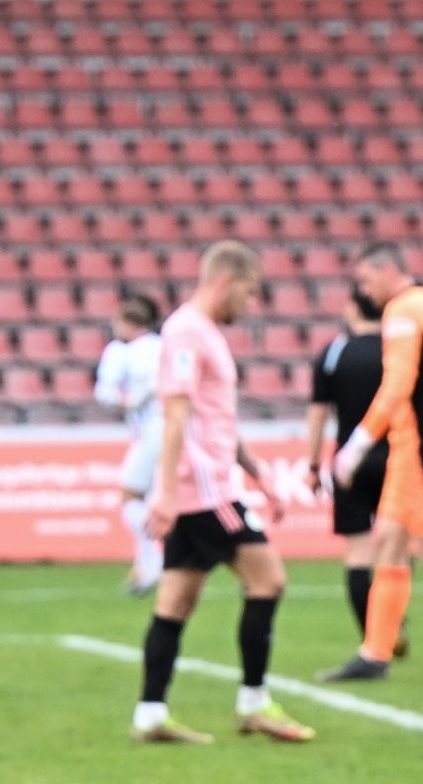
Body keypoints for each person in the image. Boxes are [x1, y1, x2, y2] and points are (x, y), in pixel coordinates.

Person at [132, 241, 314, 745]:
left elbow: (214, 421)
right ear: (226, 281)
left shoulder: (201, 332)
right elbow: (175, 415)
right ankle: (254, 703)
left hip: (203, 486)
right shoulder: (186, 331)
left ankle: (150, 714)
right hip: (206, 492)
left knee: (175, 601)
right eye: (250, 292)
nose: (251, 305)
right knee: (268, 580)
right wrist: (165, 493)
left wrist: (257, 475)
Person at [317, 245, 423, 683]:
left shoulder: (403, 310)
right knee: (388, 541)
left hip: (420, 451)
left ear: (388, 270)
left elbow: (397, 385)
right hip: (422, 448)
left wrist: (355, 446)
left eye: (366, 280)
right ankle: (375, 653)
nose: (363, 291)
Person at [302, 288, 412, 656]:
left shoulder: (334, 353)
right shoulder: (396, 348)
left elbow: (318, 413)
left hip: (350, 461)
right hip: (396, 457)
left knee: (358, 553)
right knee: (395, 548)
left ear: (352, 310)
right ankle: (394, 625)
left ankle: (372, 638)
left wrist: (313, 464)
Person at [94, 294, 165, 593]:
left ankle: (154, 564)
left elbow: (104, 392)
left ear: (127, 323)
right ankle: (146, 565)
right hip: (176, 431)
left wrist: (128, 400)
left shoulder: (120, 351)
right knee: (155, 500)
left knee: (131, 497)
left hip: (152, 433)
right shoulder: (165, 347)